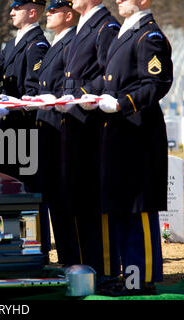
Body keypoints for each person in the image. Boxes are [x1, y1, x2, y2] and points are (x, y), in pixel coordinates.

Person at [92, 0, 173, 296]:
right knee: (122, 205)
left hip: (138, 131)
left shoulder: (148, 36)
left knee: (138, 207)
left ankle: (142, 277)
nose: (118, 1)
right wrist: (98, 99)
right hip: (119, 131)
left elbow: (157, 82)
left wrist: (123, 103)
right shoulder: (126, 33)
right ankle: (128, 273)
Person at [57, 0, 121, 287]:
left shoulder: (105, 26)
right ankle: (83, 266)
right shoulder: (85, 25)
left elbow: (109, 74)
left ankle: (102, 270)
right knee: (78, 199)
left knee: (92, 201)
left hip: (90, 125)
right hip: (75, 122)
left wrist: (81, 96)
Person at [0, 0, 49, 257]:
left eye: (17, 8)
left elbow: (34, 92)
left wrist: (11, 107)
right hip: (10, 129)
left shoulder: (37, 45)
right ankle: (13, 244)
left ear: (32, 12)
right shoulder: (13, 44)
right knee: (10, 187)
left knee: (29, 191)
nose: (11, 12)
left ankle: (36, 248)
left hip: (26, 130)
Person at [33, 0, 80, 265]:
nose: (48, 14)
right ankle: (64, 257)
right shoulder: (56, 42)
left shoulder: (71, 42)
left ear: (68, 14)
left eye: (54, 11)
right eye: (48, 10)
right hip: (47, 129)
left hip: (60, 130)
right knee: (53, 196)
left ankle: (71, 258)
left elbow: (70, 82)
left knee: (63, 200)